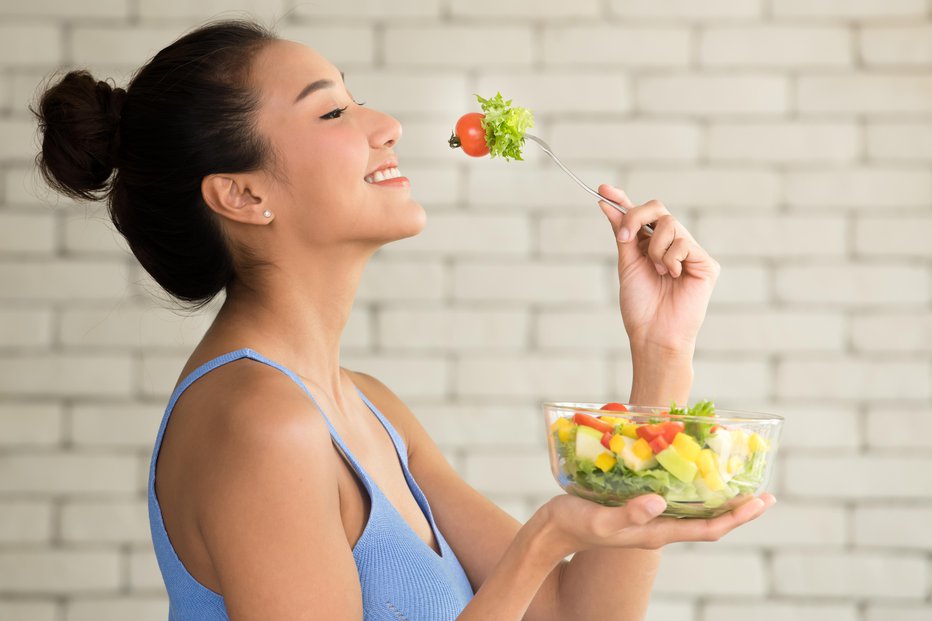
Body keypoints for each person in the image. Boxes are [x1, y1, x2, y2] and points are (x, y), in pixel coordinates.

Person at [32, 18, 775, 621]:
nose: (385, 124)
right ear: (241, 195)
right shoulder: (258, 423)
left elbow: (575, 614)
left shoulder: (370, 407)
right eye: (332, 110)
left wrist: (661, 348)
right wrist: (543, 539)